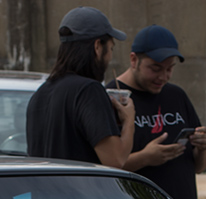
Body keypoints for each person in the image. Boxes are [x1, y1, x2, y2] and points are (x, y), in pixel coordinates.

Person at [109, 25, 206, 199]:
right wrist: (146, 158)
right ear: (133, 60)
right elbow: (104, 168)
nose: (163, 77)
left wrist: (203, 146)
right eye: (155, 69)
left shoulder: (177, 95)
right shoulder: (113, 97)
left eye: (169, 69)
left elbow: (199, 167)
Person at [26, 7, 134, 167]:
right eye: (111, 48)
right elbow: (116, 160)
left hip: (46, 191)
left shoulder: (40, 93)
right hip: (82, 191)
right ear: (98, 47)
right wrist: (129, 120)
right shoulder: (89, 90)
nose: (110, 57)